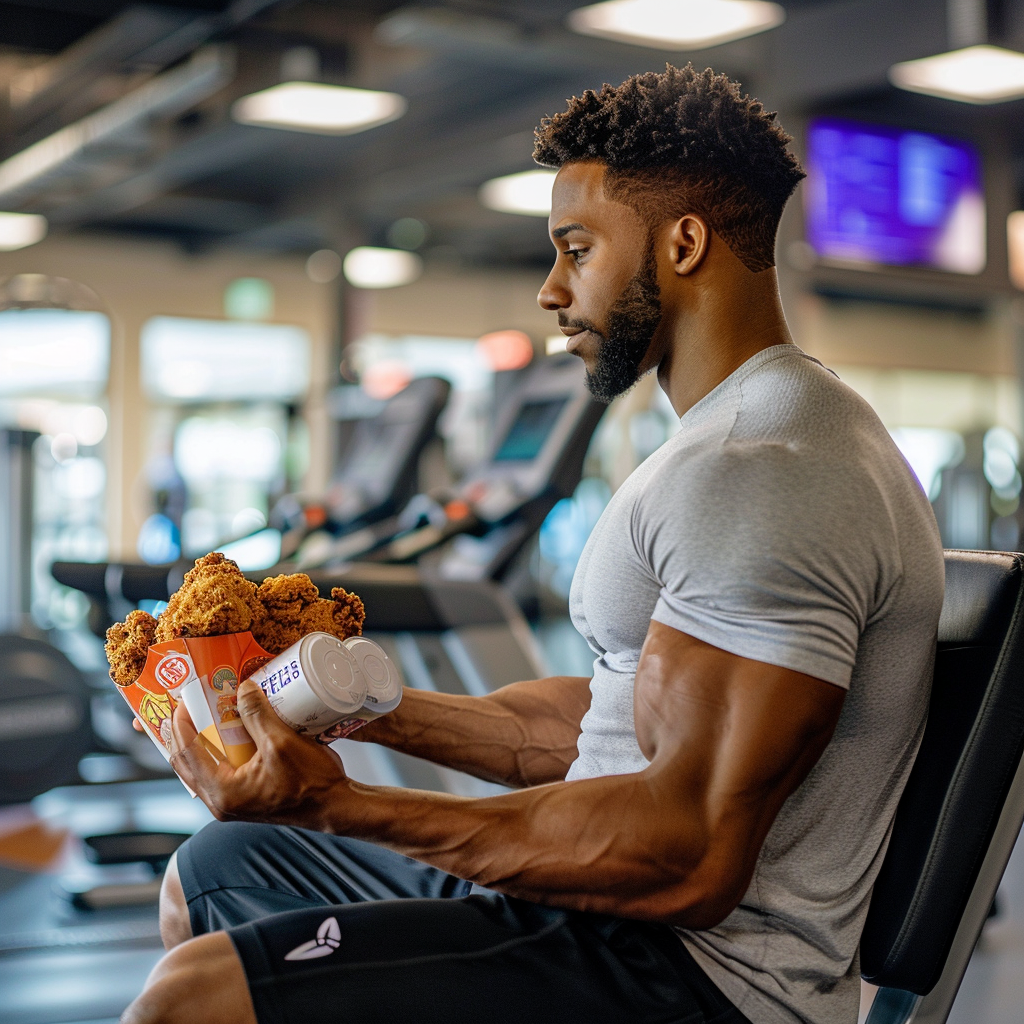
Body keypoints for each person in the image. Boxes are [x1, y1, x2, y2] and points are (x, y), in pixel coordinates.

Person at [124, 65, 944, 1024]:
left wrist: (335, 805)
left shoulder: (768, 469)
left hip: (689, 976)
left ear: (685, 243)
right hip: (601, 916)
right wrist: (346, 703)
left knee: (195, 996)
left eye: (576, 248)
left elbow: (687, 852)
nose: (553, 290)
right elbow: (587, 730)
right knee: (218, 870)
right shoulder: (734, 441)